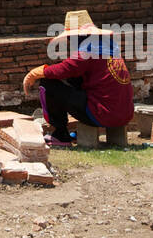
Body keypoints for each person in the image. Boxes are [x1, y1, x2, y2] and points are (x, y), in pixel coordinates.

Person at [22, 9, 134, 148]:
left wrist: (36, 73)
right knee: (73, 80)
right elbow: (73, 71)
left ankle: (60, 134)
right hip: (124, 113)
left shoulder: (89, 50)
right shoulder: (109, 46)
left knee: (48, 83)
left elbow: (66, 68)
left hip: (103, 114)